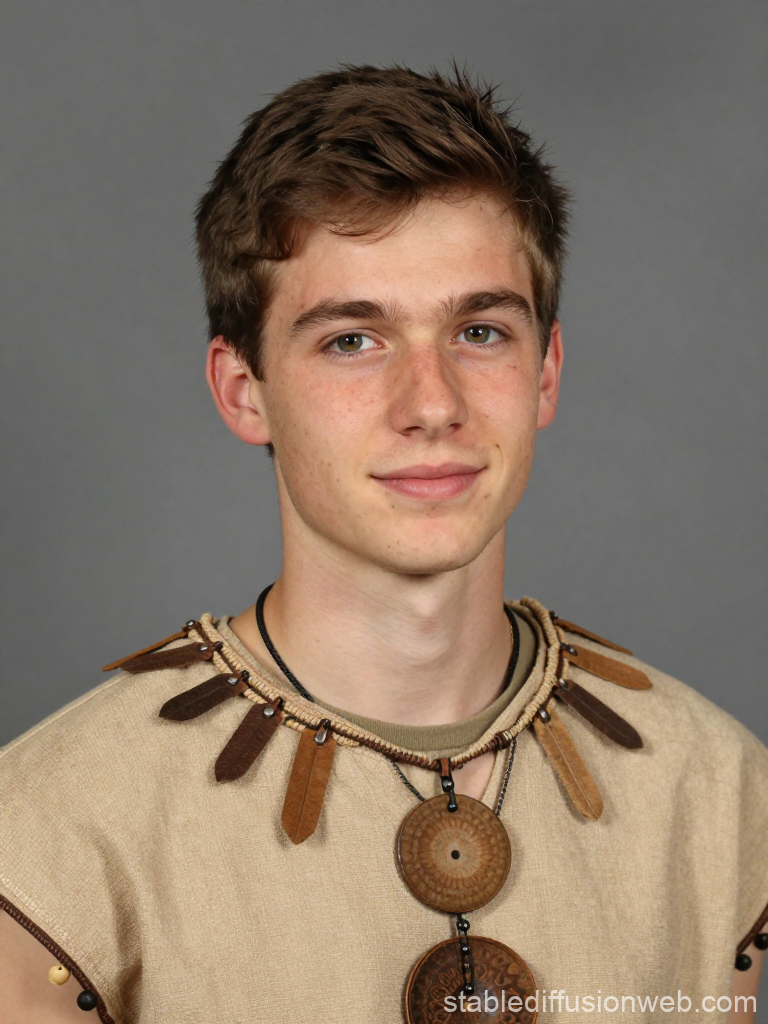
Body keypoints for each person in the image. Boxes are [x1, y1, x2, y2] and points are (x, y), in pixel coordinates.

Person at [1, 65, 766, 1024]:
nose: (434, 405)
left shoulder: (714, 787)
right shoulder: (47, 831)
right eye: (352, 341)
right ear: (244, 391)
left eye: (480, 331)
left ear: (546, 374)